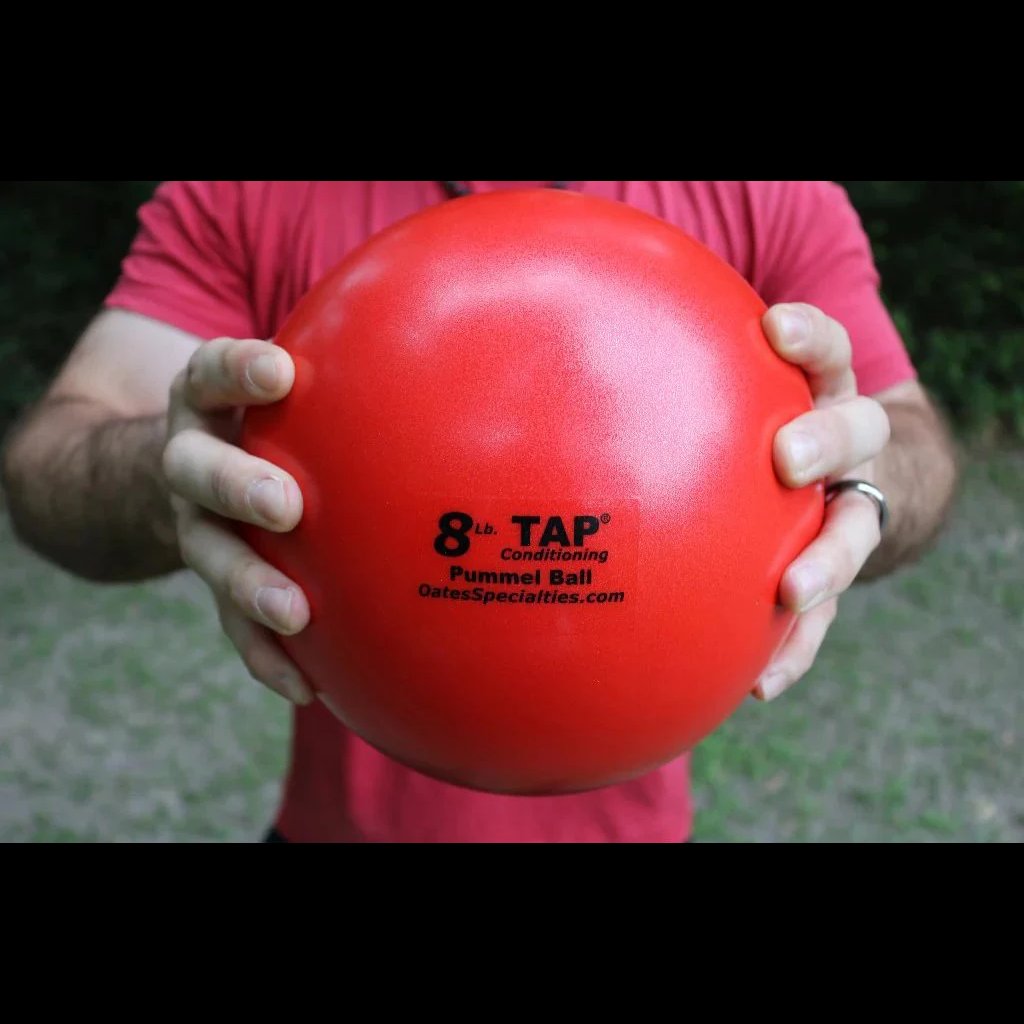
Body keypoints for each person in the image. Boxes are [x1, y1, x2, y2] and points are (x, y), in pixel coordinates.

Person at [0, 181, 958, 843]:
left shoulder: (766, 194)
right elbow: (49, 467)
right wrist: (170, 475)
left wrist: (860, 481)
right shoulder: (249, 192)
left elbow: (911, 442)